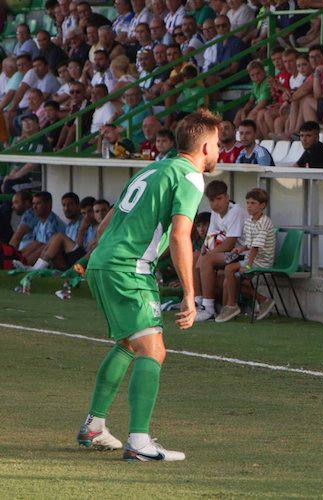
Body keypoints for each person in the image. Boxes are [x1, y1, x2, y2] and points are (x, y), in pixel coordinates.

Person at [76, 110, 220, 462]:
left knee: (129, 343)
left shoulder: (153, 168)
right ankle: (139, 442)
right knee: (153, 350)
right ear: (204, 146)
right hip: (128, 269)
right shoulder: (189, 176)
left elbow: (102, 226)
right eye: (217, 144)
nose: (219, 151)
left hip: (104, 263)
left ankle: (94, 427)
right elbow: (182, 235)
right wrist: (190, 293)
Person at [215, 187, 277, 323]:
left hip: (262, 261)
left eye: (253, 203)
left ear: (262, 205)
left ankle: (232, 305)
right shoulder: (249, 221)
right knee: (230, 276)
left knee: (229, 269)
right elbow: (249, 245)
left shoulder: (264, 223)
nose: (249, 206)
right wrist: (240, 249)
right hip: (252, 257)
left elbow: (255, 248)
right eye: (247, 202)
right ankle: (264, 300)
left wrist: (248, 265)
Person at [195, 179, 247, 322]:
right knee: (196, 256)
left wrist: (208, 255)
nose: (215, 204)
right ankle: (198, 302)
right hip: (226, 254)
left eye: (219, 199)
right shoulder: (214, 213)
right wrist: (204, 251)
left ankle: (209, 308)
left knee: (206, 259)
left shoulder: (236, 211)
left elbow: (230, 243)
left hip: (242, 254)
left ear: (227, 197)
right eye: (212, 200)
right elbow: (209, 238)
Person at [29, 193, 97, 270]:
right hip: (72, 259)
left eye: (70, 204)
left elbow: (81, 248)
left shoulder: (88, 224)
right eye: (64, 205)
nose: (66, 208)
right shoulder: (69, 226)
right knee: (51, 243)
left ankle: (36, 268)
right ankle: (30, 265)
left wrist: (82, 230)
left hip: (84, 262)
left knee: (59, 236)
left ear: (77, 206)